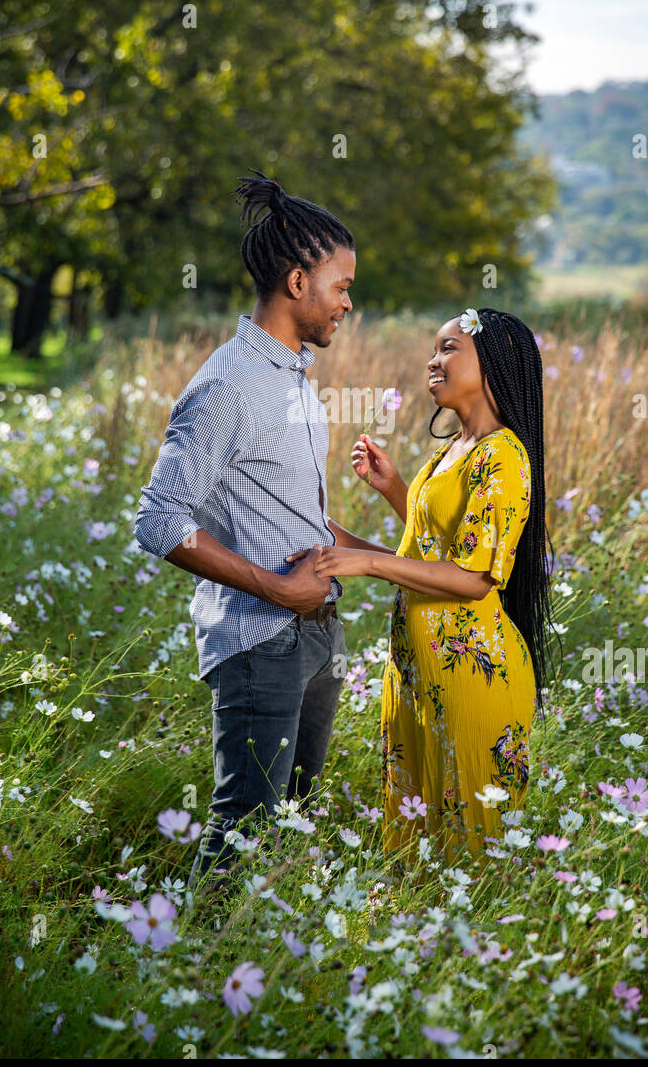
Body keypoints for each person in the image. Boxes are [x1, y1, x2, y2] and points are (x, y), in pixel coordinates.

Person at [133, 170, 396, 888]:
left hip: (319, 636)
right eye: (340, 286)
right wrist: (279, 590)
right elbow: (158, 519)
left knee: (294, 818)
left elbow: (298, 512)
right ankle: (196, 972)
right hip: (260, 643)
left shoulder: (294, 376)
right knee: (243, 827)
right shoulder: (226, 386)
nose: (348, 302)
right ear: (296, 280)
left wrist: (395, 563)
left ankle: (266, 967)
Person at [313, 306, 562, 865]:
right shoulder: (452, 450)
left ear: (493, 361)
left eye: (449, 347)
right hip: (414, 673)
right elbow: (429, 558)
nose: (433, 359)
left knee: (470, 850)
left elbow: (473, 578)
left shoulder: (505, 456)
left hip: (473, 673)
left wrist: (367, 566)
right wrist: (381, 499)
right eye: (434, 347)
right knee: (417, 843)